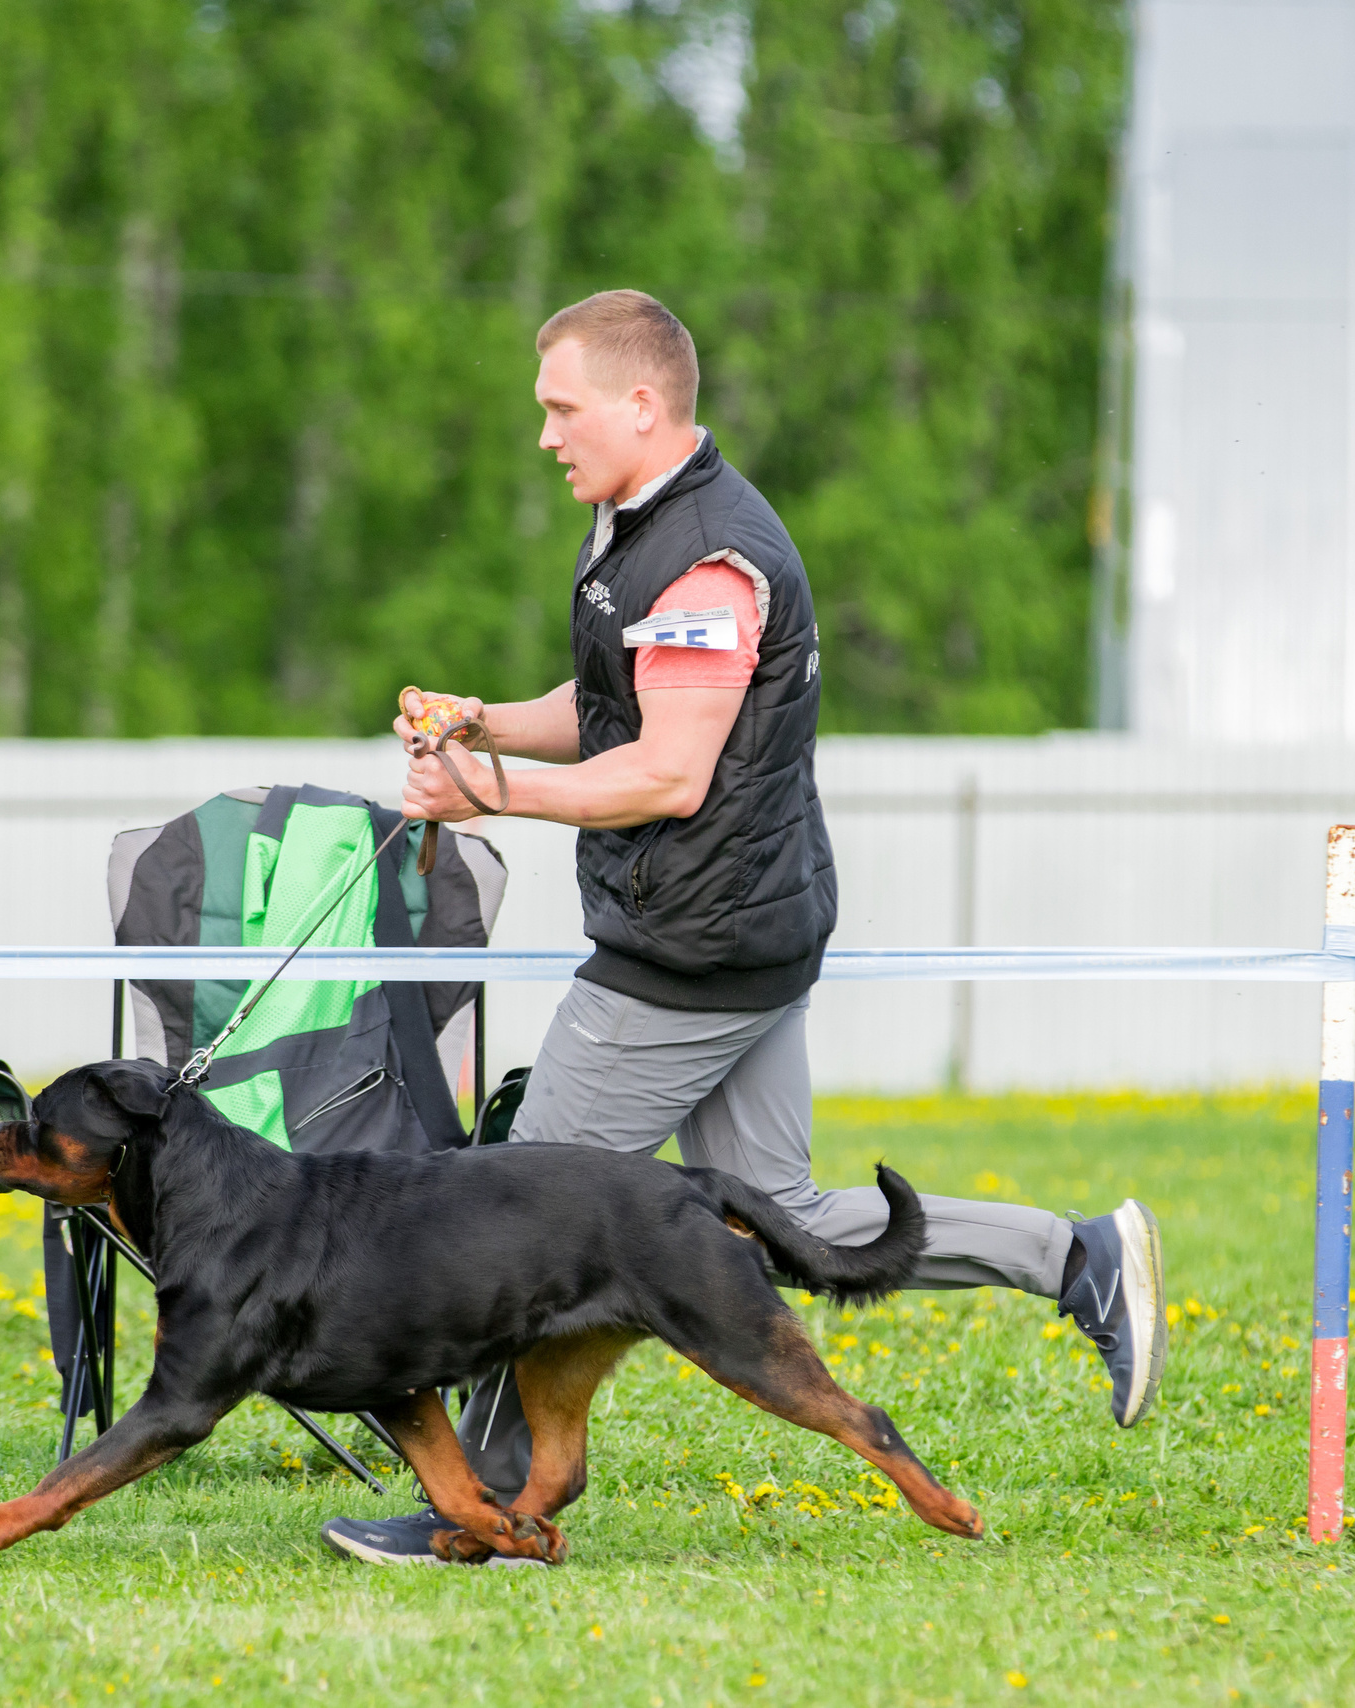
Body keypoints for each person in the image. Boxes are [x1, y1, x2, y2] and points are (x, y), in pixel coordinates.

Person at [318, 290, 1164, 1569]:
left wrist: (488, 794)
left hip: (687, 957)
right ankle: (1077, 1257)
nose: (542, 433)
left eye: (561, 407)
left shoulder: (712, 557)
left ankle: (482, 1507)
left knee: (517, 1210)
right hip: (742, 932)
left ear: (641, 405)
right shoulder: (636, 525)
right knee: (783, 1215)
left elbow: (667, 770)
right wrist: (485, 720)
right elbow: (608, 704)